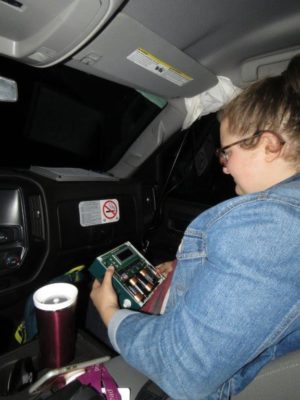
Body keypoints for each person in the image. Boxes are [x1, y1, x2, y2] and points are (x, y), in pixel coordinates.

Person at [90, 54, 300, 400]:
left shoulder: (272, 224)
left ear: (269, 145)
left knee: (86, 304)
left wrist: (110, 313)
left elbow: (182, 370)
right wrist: (190, 268)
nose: (224, 167)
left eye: (226, 153)